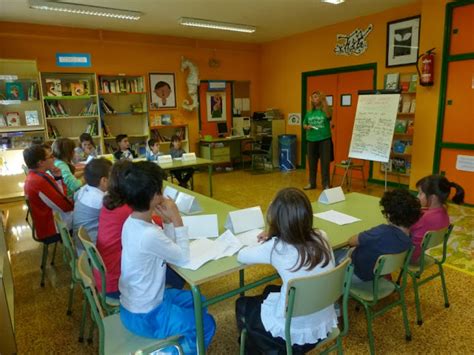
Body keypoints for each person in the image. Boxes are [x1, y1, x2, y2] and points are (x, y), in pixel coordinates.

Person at [118, 161, 215, 353]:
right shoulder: (148, 234)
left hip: (138, 304)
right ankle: (168, 352)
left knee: (200, 301)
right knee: (207, 324)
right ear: (154, 196)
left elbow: (169, 250)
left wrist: (167, 221)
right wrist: (177, 219)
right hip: (147, 315)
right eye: (160, 190)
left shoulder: (132, 222)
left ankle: (183, 337)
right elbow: (182, 258)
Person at [236, 187, 336, 354]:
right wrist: (275, 234)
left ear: (276, 220)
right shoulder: (322, 235)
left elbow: (242, 255)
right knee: (269, 289)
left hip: (293, 331)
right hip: (322, 321)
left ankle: (253, 346)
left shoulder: (276, 248)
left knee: (242, 303)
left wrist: (271, 232)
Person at [348, 189, 421, 282]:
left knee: (337, 254)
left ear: (389, 215)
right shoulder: (409, 237)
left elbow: (351, 241)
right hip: (380, 273)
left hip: (358, 275)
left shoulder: (381, 232)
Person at [23, 144, 74, 242]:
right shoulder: (40, 181)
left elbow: (60, 197)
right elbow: (66, 207)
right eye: (50, 156)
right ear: (41, 162)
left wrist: (58, 178)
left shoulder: (34, 175)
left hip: (45, 225)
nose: (54, 158)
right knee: (89, 216)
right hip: (52, 229)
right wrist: (76, 202)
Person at [410, 175, 464, 263]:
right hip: (420, 251)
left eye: (420, 193)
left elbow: (407, 229)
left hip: (410, 255)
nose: (417, 196)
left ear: (433, 197)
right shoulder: (443, 210)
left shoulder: (427, 218)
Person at [72, 158, 112, 252]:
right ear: (104, 180)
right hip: (91, 249)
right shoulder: (101, 200)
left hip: (81, 242)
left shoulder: (83, 189)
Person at [303, 91, 333, 190]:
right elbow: (304, 124)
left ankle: (326, 185)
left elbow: (330, 118)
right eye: (312, 97)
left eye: (316, 97)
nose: (313, 99)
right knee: (312, 163)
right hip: (311, 140)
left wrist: (324, 101)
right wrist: (306, 126)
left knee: (325, 164)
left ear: (320, 98)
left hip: (324, 140)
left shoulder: (326, 110)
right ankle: (312, 184)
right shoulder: (309, 112)